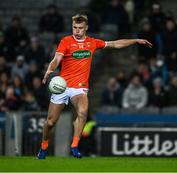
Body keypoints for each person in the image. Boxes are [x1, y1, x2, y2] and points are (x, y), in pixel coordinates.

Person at [37, 14, 152, 159]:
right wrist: (50, 70)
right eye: (74, 28)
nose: (77, 31)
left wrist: (135, 40)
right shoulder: (66, 41)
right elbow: (57, 59)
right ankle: (44, 146)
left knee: (83, 111)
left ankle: (74, 145)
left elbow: (115, 44)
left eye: (80, 28)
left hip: (79, 88)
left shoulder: (92, 42)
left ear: (86, 28)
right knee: (51, 122)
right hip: (63, 86)